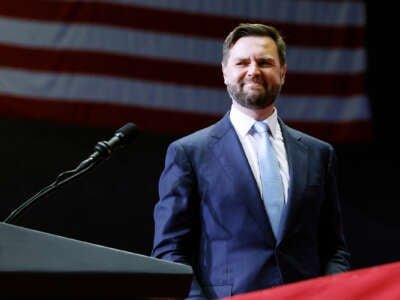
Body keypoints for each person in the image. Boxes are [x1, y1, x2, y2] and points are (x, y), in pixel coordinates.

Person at [151, 23, 351, 299]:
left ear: (283, 72)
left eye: (265, 62)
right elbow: (170, 251)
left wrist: (334, 295)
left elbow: (333, 248)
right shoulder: (190, 153)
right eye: (242, 62)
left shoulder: (319, 154)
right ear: (225, 72)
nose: (253, 70)